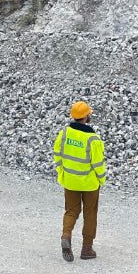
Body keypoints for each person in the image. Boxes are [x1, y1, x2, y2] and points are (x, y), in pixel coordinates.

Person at [53, 100, 106, 262]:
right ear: (86, 116)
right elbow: (98, 163)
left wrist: (62, 172)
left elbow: (58, 154)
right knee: (90, 214)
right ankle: (86, 249)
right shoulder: (92, 138)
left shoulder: (64, 133)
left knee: (71, 211)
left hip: (69, 181)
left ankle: (66, 235)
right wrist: (101, 180)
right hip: (89, 184)